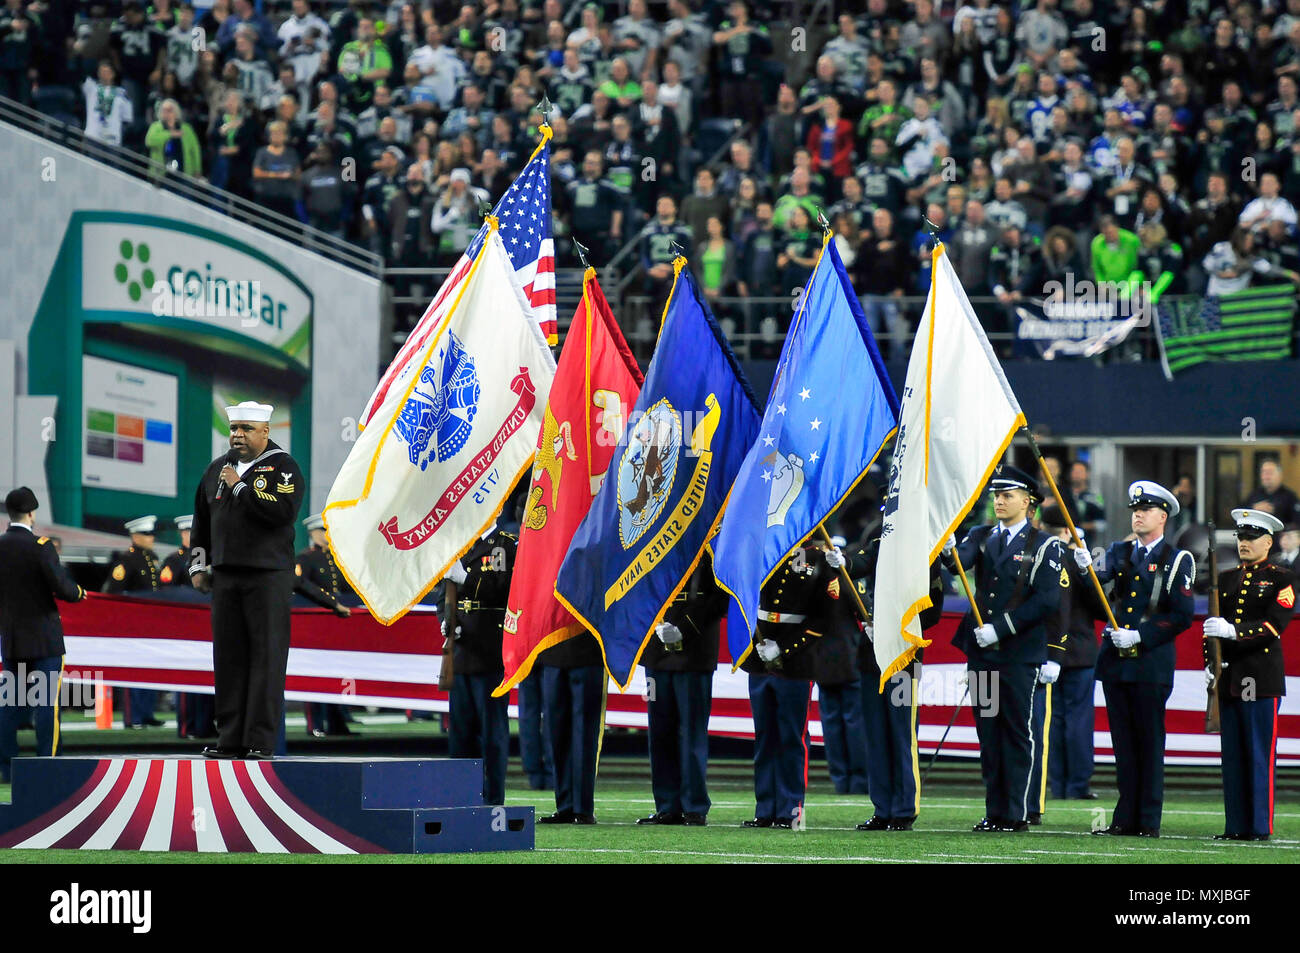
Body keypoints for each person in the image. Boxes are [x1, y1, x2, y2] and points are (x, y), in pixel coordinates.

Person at [944, 464, 1066, 833]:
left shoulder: (1045, 545)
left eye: (1007, 495)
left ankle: (1014, 812)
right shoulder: (981, 535)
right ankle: (993, 810)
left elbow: (1047, 600)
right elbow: (958, 564)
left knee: (1014, 732)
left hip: (1016, 652)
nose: (999, 500)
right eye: (997, 495)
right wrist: (947, 549)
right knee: (988, 731)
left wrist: (1001, 628)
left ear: (1028, 502)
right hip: (981, 652)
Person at [1075, 481, 1194, 838]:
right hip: (1116, 662)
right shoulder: (1119, 551)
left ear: (1163, 516)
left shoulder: (1176, 559)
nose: (1138, 515)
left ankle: (1147, 820)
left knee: (1148, 741)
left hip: (1149, 662)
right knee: (1123, 744)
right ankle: (1124, 818)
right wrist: (1085, 571)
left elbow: (1181, 615)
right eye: (1135, 510)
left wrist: (1140, 635)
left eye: (1145, 510)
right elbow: (1099, 596)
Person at [189, 401, 305, 760]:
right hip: (225, 576)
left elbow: (282, 513)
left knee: (266, 659)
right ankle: (230, 739)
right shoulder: (215, 470)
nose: (237, 435)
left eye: (246, 429)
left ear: (265, 432)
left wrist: (240, 488)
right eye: (234, 428)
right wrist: (197, 567)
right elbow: (200, 523)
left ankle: (260, 740)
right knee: (228, 659)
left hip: (267, 576)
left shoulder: (283, 466)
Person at [839, 536, 944, 831]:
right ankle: (882, 807)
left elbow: (933, 608)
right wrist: (842, 561)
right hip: (872, 654)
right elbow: (859, 564)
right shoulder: (880, 543)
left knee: (901, 733)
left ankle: (904, 808)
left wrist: (898, 628)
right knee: (875, 734)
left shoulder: (925, 549)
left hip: (904, 654)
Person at [1203, 508, 1295, 841]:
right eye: (1241, 537)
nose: (1244, 542)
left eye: (1251, 537)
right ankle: (1236, 826)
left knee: (1258, 753)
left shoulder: (1282, 578)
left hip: (1259, 676)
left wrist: (1233, 632)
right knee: (1234, 756)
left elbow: (1274, 626)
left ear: (1268, 542)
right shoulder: (1227, 579)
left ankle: (1258, 826)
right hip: (1230, 677)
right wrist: (1209, 663)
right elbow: (1211, 628)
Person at [0, 487, 86, 783]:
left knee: (9, 704)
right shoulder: (41, 546)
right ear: (32, 513)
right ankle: (46, 766)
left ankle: (7, 769)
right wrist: (80, 593)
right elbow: (62, 588)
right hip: (45, 640)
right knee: (46, 704)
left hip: (12, 639)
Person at [740, 543, 827, 829]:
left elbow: (822, 617)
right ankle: (765, 808)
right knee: (765, 737)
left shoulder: (817, 558)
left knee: (792, 737)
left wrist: (786, 649)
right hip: (761, 655)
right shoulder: (763, 548)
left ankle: (791, 810)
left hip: (795, 662)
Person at [637, 554, 728, 826]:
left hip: (694, 653)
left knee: (691, 731)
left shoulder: (711, 551)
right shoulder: (654, 543)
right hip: (656, 652)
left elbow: (719, 598)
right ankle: (667, 805)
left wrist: (685, 629)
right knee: (659, 732)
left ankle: (694, 806)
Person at [440, 525, 516, 807]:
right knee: (460, 732)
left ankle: (491, 799)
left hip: (489, 649)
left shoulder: (505, 545)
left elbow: (502, 588)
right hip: (460, 652)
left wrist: (467, 579)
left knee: (492, 732)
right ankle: (460, 798)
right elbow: (444, 592)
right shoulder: (459, 541)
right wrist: (445, 621)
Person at [1038, 504, 1099, 801]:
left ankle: (1056, 783)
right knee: (1077, 721)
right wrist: (1088, 570)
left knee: (1054, 721)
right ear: (1068, 531)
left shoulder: (1038, 556)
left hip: (1045, 651)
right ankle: (1077, 785)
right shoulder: (1077, 561)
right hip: (1078, 651)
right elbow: (1103, 608)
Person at [294, 513, 354, 739]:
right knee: (315, 672)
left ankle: (338, 723)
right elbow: (301, 587)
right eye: (323, 531)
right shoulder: (306, 559)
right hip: (316, 624)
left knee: (337, 672)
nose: (327, 535)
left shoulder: (336, 559)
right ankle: (316, 724)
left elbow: (346, 587)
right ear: (312, 533)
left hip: (337, 624)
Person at [537, 629, 605, 824]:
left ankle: (583, 807)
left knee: (584, 734)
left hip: (588, 650)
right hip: (553, 650)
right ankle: (565, 805)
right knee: (556, 733)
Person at [104, 515, 164, 729]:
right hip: (134, 624)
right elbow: (114, 593)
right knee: (134, 671)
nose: (151, 538)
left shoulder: (153, 558)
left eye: (151, 534)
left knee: (151, 669)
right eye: (146, 534)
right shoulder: (126, 561)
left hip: (152, 623)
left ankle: (147, 712)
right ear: (135, 535)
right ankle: (134, 717)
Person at [165, 515, 217, 740]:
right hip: (184, 629)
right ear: (181, 534)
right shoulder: (174, 561)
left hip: (207, 625)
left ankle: (205, 724)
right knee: (187, 678)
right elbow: (166, 594)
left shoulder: (206, 554)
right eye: (187, 532)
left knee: (208, 677)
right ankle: (187, 726)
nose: (190, 535)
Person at [1242, 459, 1299, 528]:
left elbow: (1297, 522)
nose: (1266, 476)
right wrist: (1253, 510)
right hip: (1256, 537)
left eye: (1270, 473)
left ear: (1279, 476)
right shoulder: (1253, 495)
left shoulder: (1290, 497)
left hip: (1280, 537)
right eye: (1263, 472)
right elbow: (1240, 516)